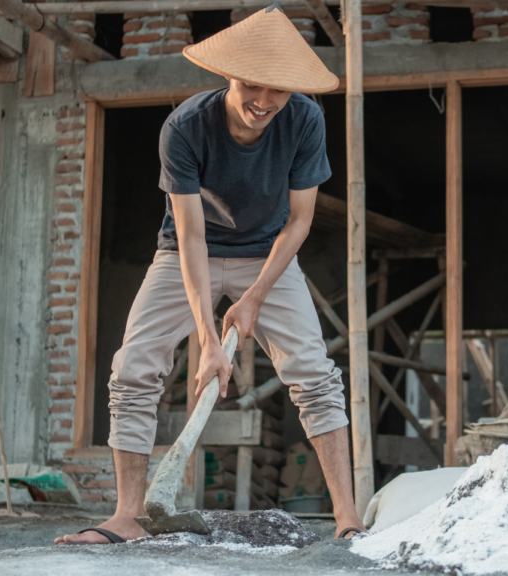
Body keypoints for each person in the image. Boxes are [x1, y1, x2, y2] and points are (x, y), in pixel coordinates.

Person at [56, 5, 365, 544]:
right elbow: (192, 236)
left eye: (279, 90)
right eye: (251, 86)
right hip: (185, 254)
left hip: (269, 254)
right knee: (132, 369)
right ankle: (128, 516)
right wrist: (208, 336)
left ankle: (348, 519)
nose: (264, 102)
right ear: (228, 75)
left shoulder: (305, 120)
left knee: (314, 375)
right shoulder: (185, 127)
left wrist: (253, 299)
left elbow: (298, 224)